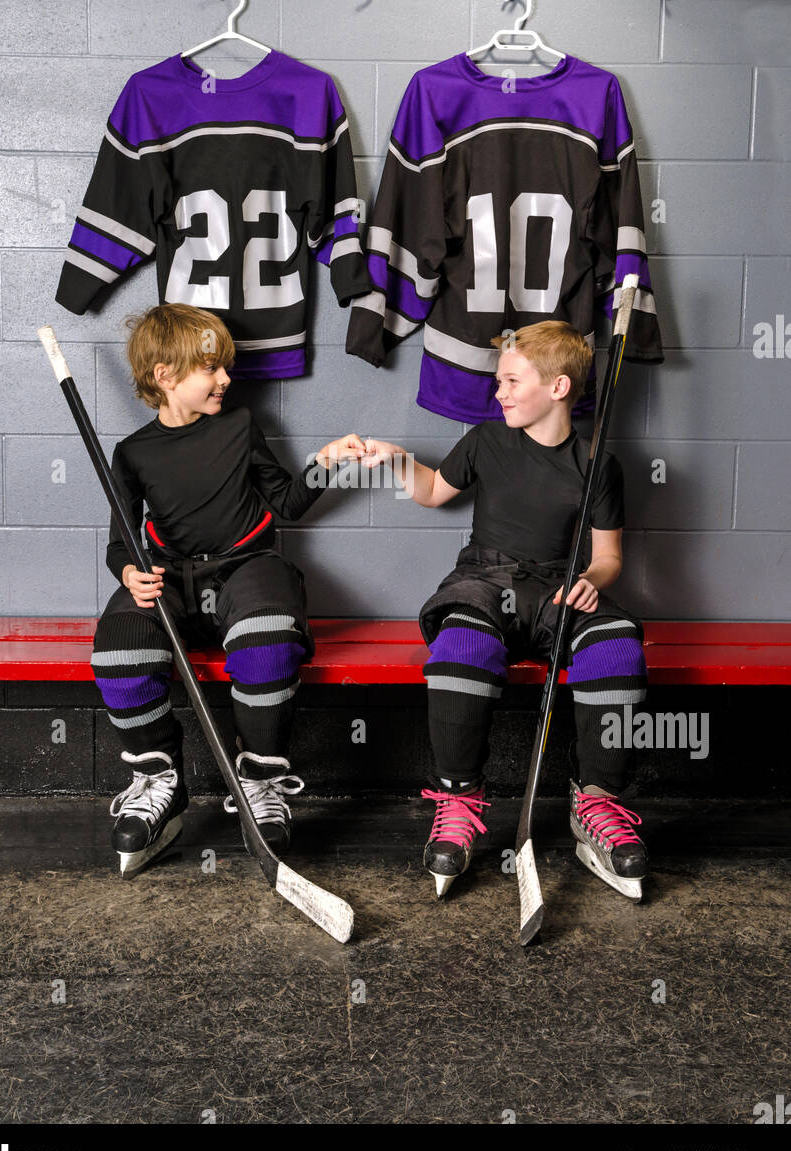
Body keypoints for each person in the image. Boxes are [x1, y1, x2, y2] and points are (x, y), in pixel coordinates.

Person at [361, 321, 649, 900]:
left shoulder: (598, 464)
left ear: (559, 388)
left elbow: (610, 556)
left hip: (558, 588)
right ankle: (458, 800)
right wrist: (395, 459)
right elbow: (433, 490)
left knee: (617, 645)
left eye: (512, 381)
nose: (500, 393)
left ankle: (597, 804)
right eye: (500, 382)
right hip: (483, 580)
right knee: (461, 647)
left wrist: (592, 579)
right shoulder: (487, 441)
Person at [91, 302, 364, 877]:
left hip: (246, 568)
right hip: (171, 576)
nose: (225, 379)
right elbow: (122, 544)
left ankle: (260, 781)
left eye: (226, 368)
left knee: (269, 635)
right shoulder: (133, 453)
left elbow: (286, 501)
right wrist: (128, 573)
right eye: (212, 369)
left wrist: (326, 462)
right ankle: (158, 780)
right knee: (117, 641)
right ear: (166, 377)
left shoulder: (239, 427)